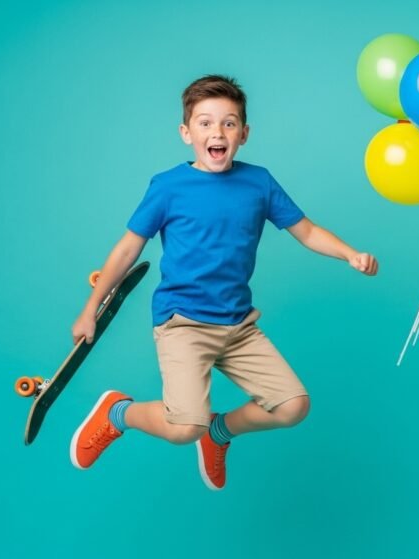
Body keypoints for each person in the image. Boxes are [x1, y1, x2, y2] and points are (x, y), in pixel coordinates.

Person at [68, 75, 378, 490]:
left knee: (293, 406)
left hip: (237, 325)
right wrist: (90, 310)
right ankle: (117, 412)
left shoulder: (259, 182)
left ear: (244, 134)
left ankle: (219, 434)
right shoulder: (168, 187)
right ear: (186, 133)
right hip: (184, 324)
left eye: (229, 123)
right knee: (183, 428)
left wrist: (349, 254)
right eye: (205, 123)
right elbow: (128, 249)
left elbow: (306, 231)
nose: (218, 132)